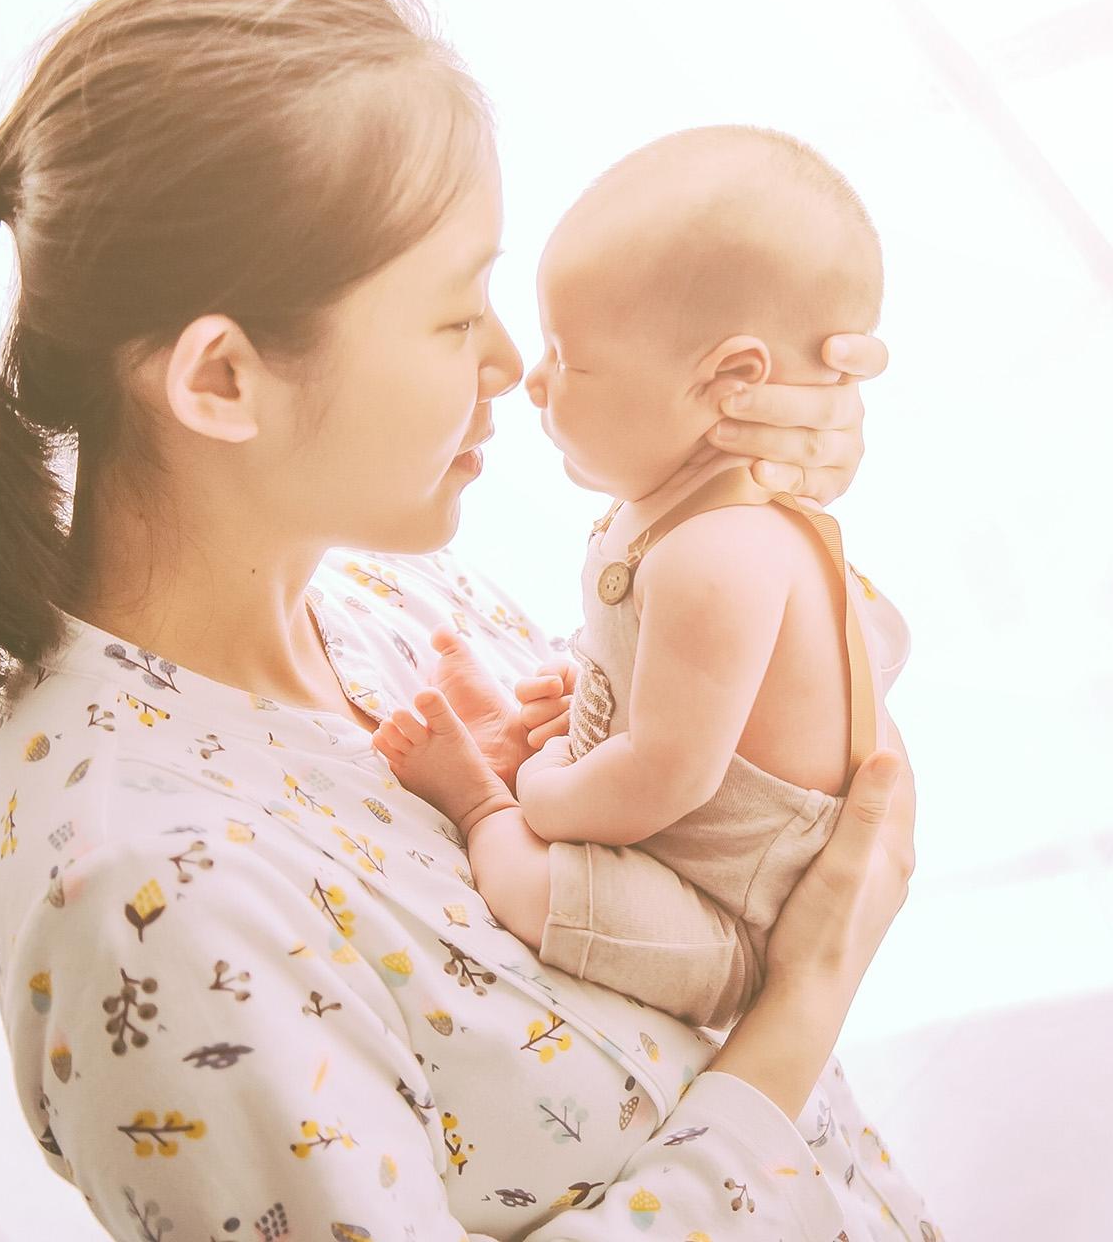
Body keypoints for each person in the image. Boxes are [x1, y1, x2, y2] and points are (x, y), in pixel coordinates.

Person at [0, 0, 938, 1239]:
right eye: (451, 313)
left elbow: (715, 807)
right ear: (220, 382)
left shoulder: (384, 600)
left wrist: (745, 493)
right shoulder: (143, 900)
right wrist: (803, 1002)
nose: (508, 360)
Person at [373, 124, 914, 1033]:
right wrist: (586, 694)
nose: (531, 380)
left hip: (731, 913)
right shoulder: (675, 510)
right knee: (570, 725)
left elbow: (668, 777)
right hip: (665, 831)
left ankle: (477, 796)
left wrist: (538, 792)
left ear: (730, 380)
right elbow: (671, 688)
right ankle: (514, 738)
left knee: (546, 889)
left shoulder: (722, 554)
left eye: (569, 358)